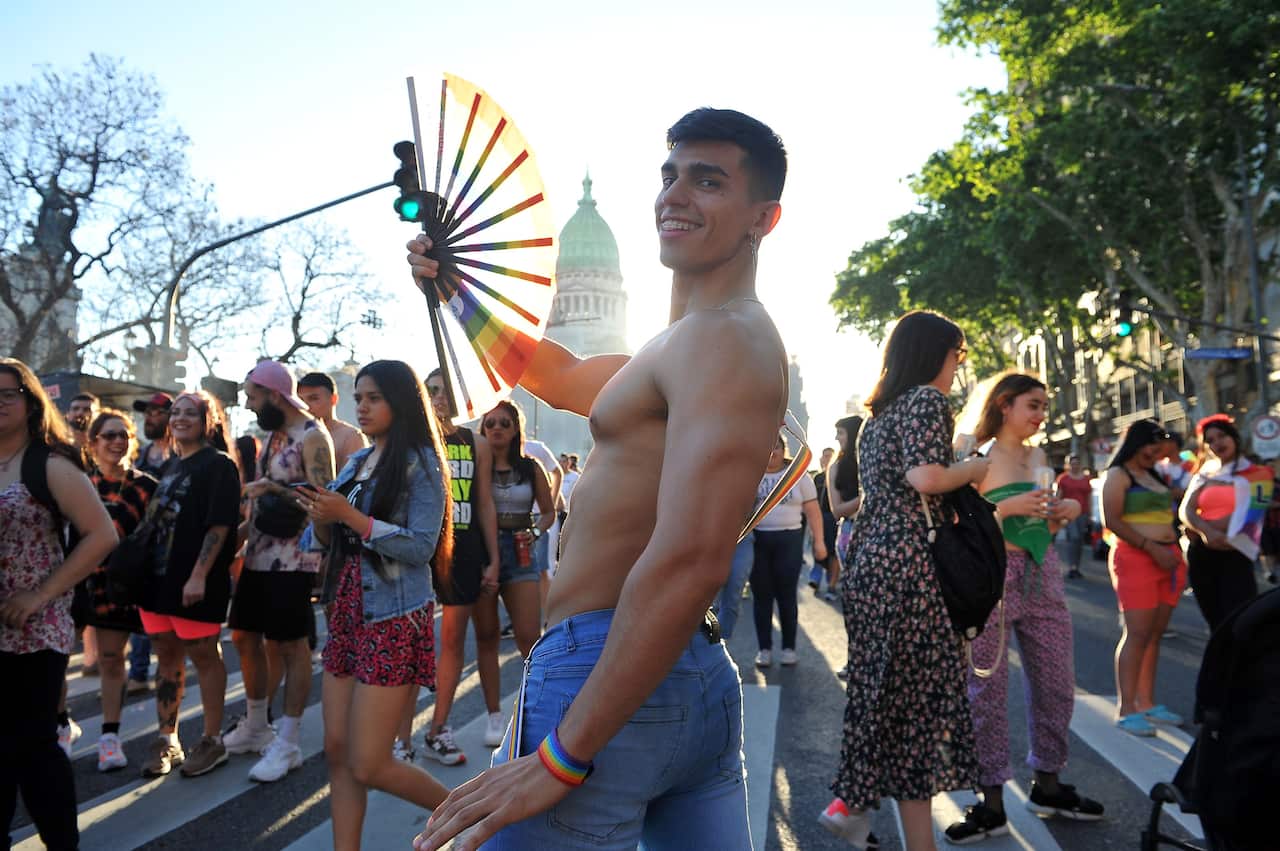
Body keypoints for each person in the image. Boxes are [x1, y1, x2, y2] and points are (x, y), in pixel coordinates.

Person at [411, 107, 789, 851]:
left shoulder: (723, 337)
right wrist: (454, 285)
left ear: (763, 217)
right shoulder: (684, 343)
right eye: (669, 175)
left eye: (707, 180)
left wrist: (562, 751)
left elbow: (690, 558)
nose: (675, 194)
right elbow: (559, 376)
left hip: (605, 672)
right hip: (681, 676)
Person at [821, 311, 987, 851]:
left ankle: (858, 803)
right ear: (934, 353)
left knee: (884, 693)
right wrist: (974, 469)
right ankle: (859, 805)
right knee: (921, 703)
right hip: (913, 563)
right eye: (958, 354)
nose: (958, 367)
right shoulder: (925, 402)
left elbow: (879, 493)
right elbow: (927, 478)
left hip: (872, 560)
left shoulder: (876, 418)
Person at [942, 373, 1103, 845]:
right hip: (991, 578)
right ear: (1005, 405)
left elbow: (1045, 522)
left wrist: (1063, 513)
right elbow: (957, 523)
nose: (1040, 415)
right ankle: (990, 801)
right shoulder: (975, 453)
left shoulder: (1038, 457)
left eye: (1044, 406)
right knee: (985, 689)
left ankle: (1048, 784)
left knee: (1056, 682)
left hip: (1041, 570)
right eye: (1033, 405)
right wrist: (1008, 510)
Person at [296, 359, 451, 851]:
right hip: (346, 609)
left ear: (400, 401)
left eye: (374, 398)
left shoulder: (422, 460)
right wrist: (320, 514)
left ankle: (479, 814)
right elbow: (319, 537)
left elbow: (421, 546)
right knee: (338, 753)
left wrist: (350, 516)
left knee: (370, 762)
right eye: (358, 397)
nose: (362, 406)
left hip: (393, 613)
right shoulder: (357, 460)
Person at [0, 358, 116, 851]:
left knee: (34, 749)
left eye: (7, 394)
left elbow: (102, 535)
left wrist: (43, 593)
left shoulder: (49, 465)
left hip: (32, 627)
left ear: (29, 403)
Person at [222, 361, 335, 783]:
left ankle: (287, 743)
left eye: (253, 396)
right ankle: (256, 725)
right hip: (259, 553)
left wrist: (271, 490)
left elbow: (326, 502)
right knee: (244, 636)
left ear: (273, 393)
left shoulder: (313, 436)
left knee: (291, 647)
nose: (249, 405)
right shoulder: (271, 437)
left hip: (295, 559)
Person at [395, 367, 500, 767]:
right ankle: (399, 739)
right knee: (411, 644)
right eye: (432, 390)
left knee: (453, 642)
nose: (440, 397)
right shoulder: (413, 442)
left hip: (463, 552)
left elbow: (485, 502)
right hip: (420, 552)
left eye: (446, 390)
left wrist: (494, 558)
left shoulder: (477, 443)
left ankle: (437, 728)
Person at [137, 390, 242, 778]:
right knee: (166, 656)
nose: (179, 418)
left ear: (207, 421)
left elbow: (220, 525)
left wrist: (199, 575)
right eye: (175, 412)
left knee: (203, 655)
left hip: (194, 582)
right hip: (157, 583)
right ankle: (169, 738)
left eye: (189, 413)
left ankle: (212, 741)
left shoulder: (218, 465)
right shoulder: (170, 465)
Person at [78, 409, 159, 773]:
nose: (116, 442)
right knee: (58, 656)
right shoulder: (77, 482)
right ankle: (61, 725)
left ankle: (110, 737)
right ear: (93, 443)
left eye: (122, 435)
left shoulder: (145, 486)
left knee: (112, 659)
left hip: (118, 584)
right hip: (75, 580)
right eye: (108, 436)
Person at [1100, 418, 1187, 737]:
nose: (1155, 451)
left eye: (1159, 445)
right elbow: (1113, 520)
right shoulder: (1117, 475)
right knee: (1136, 633)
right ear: (1136, 443)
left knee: (1153, 634)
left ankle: (1147, 702)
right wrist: (1152, 548)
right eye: (1151, 444)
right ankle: (1127, 708)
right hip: (1136, 558)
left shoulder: (1156, 475)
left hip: (1170, 560)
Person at [478, 400, 555, 663]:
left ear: (515, 429)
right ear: (483, 429)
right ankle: (494, 706)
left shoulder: (532, 467)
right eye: (490, 423)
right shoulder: (477, 467)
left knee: (529, 637)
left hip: (521, 548)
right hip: (483, 552)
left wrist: (534, 532)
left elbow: (548, 512)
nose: (496, 428)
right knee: (487, 636)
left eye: (504, 423)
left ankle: (535, 700)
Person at [1178, 415, 1268, 633]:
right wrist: (1206, 532)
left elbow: (1251, 514)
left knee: (1241, 620)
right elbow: (1185, 510)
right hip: (1201, 552)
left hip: (1236, 550)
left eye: (1222, 436)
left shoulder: (1260, 474)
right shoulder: (1204, 473)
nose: (1217, 443)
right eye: (1210, 440)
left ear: (1234, 437)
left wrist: (1209, 530)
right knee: (1215, 622)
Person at [751, 433, 826, 667]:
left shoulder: (797, 475)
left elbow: (813, 511)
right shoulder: (751, 475)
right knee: (762, 596)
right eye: (768, 448)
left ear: (784, 450)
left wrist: (819, 542)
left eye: (777, 447)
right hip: (758, 540)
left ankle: (789, 648)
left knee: (786, 595)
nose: (773, 452)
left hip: (789, 540)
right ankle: (764, 648)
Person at [828, 415, 863, 682]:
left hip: (878, 531)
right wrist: (864, 499)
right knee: (854, 603)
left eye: (841, 433)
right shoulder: (835, 467)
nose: (838, 438)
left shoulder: (872, 460)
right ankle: (855, 660)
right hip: (850, 535)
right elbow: (837, 509)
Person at [298, 372, 369, 472]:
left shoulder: (351, 436)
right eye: (300, 400)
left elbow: (351, 483)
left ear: (334, 399)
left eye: (313, 398)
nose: (305, 406)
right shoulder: (294, 435)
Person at [1056, 455, 1093, 579]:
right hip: (1068, 512)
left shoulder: (1086, 479)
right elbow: (1058, 496)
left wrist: (1090, 514)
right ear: (1069, 465)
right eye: (1073, 463)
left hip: (1083, 512)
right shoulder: (1063, 479)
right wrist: (1057, 512)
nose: (1075, 466)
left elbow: (1089, 497)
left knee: (1080, 540)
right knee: (1074, 537)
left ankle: (1076, 567)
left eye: (1077, 463)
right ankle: (1071, 566)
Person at [811, 446, 839, 600]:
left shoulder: (838, 476)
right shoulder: (818, 478)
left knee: (833, 553)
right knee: (819, 548)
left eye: (829, 456)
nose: (826, 459)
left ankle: (831, 584)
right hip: (820, 517)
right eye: (824, 455)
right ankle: (815, 579)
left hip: (835, 518)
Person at [132, 392, 175, 478]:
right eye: (147, 412)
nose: (148, 418)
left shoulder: (182, 456)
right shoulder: (137, 455)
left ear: (171, 417)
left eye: (158, 413)